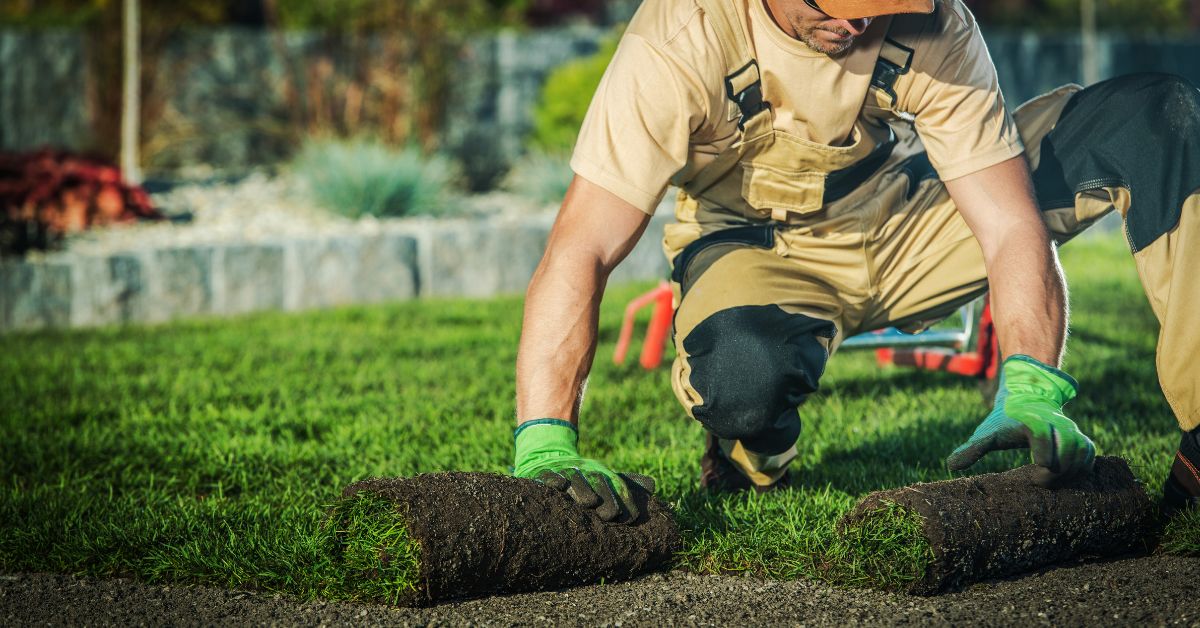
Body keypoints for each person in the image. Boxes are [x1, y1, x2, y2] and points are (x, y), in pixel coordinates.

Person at [510, 0, 1200, 522]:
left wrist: (1031, 383)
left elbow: (1008, 221)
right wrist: (545, 436)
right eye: (835, 7)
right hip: (757, 243)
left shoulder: (938, 24)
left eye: (880, 7)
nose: (859, 24)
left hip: (904, 212)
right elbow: (584, 245)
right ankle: (755, 448)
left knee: (1154, 117)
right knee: (744, 379)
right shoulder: (679, 36)